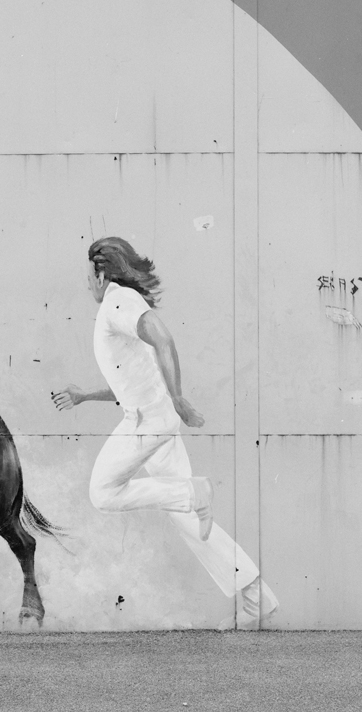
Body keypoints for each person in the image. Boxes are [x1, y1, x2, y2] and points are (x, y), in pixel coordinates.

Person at [52, 236, 277, 629]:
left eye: (88, 276)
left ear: (102, 273)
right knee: (188, 516)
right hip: (152, 418)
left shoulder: (117, 302)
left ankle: (192, 491)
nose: (86, 284)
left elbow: (163, 337)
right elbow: (134, 379)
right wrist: (85, 396)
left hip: (147, 424)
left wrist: (179, 398)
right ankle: (256, 599)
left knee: (103, 493)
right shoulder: (120, 303)